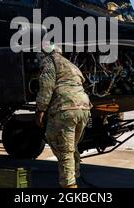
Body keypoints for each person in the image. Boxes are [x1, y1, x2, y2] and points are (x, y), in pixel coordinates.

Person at [35, 43, 92, 188]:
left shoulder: (50, 61)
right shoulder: (71, 65)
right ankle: (75, 174)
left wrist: (41, 109)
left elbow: (46, 85)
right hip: (83, 108)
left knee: (62, 147)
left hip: (66, 108)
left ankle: (69, 185)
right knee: (71, 146)